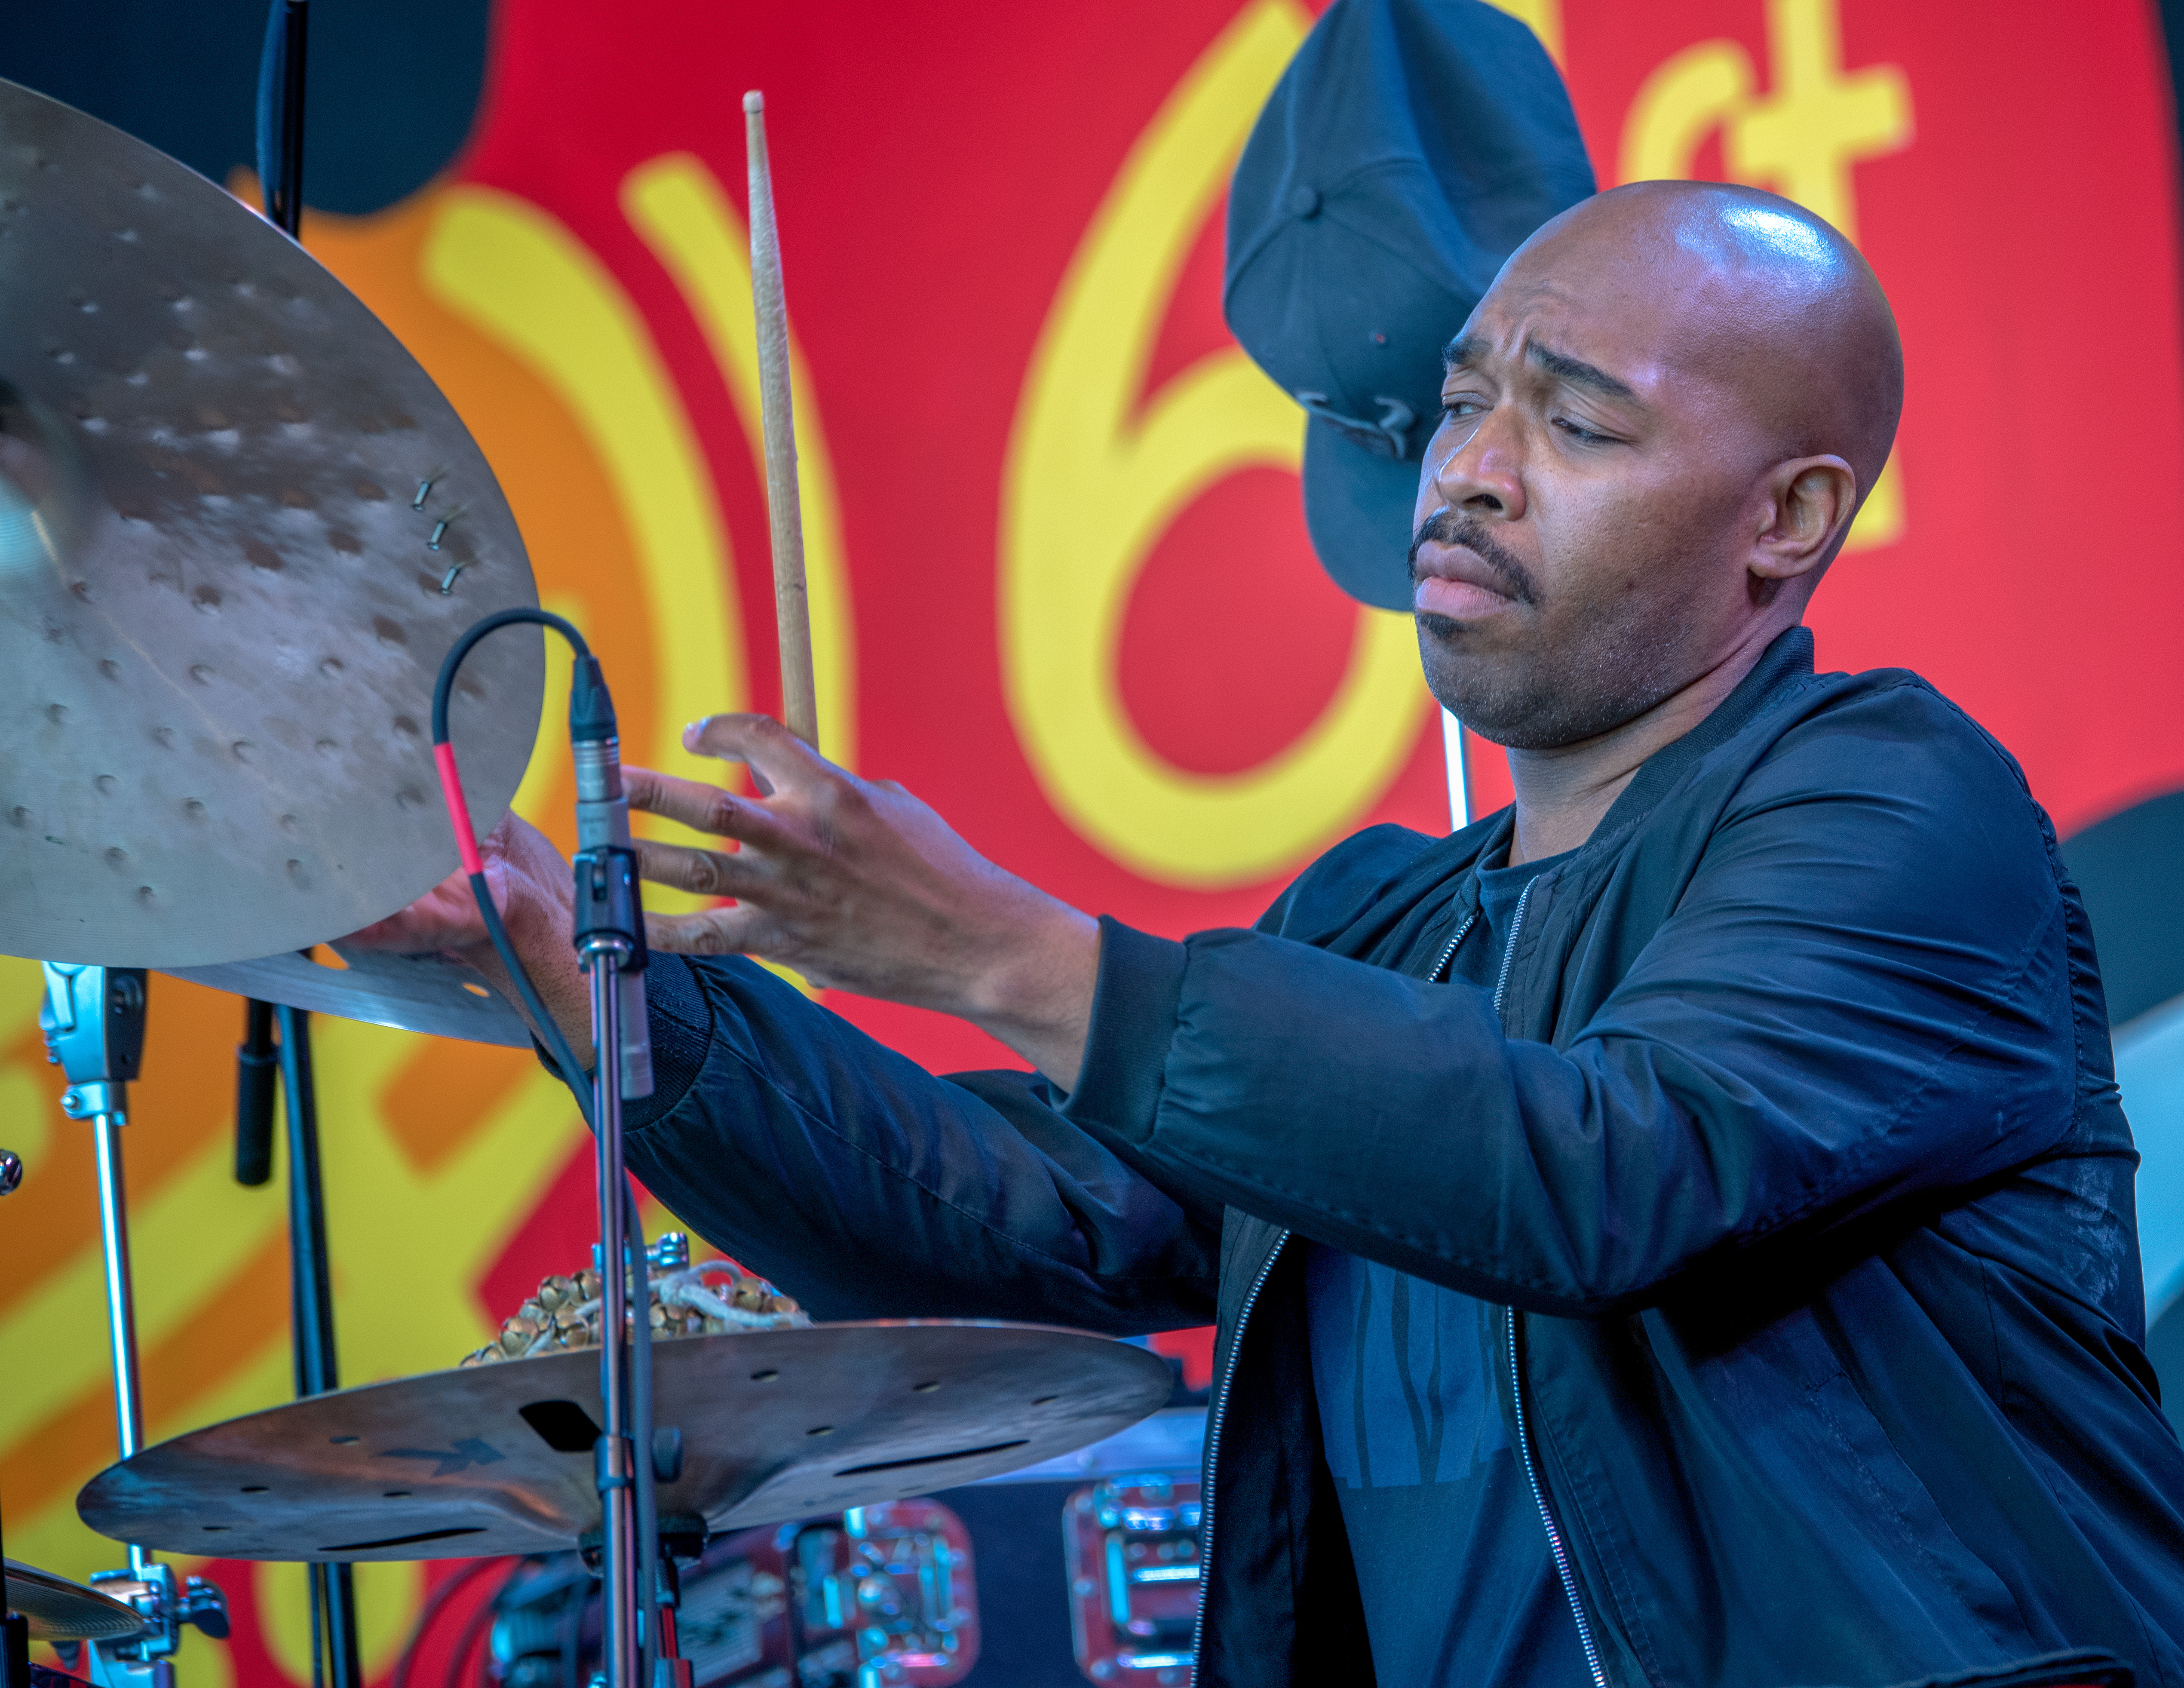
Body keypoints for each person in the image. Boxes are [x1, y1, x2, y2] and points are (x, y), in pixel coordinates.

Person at [359, 181, 2184, 1688]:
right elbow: (1059, 1222)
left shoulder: (1892, 800)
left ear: (1786, 519)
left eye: (1574, 418)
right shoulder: (1382, 918)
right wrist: (605, 996)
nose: (1468, 466)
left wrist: (998, 942)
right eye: (1465, 398)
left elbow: (1613, 1164)